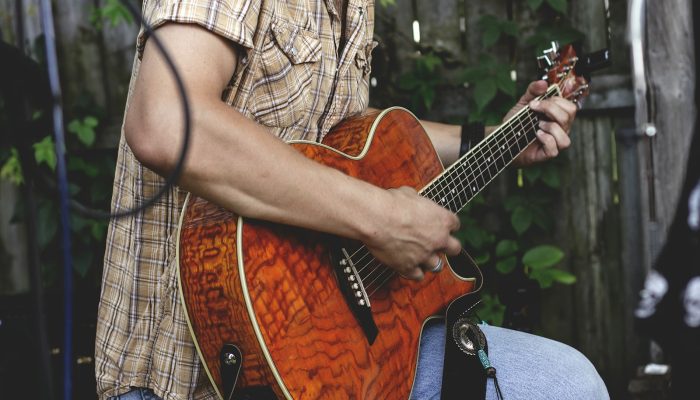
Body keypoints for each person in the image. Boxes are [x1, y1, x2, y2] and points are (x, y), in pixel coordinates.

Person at [95, 0, 609, 399]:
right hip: (188, 372)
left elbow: (346, 147)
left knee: (567, 385)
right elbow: (166, 122)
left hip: (339, 344)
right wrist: (380, 219)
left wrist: (497, 136)